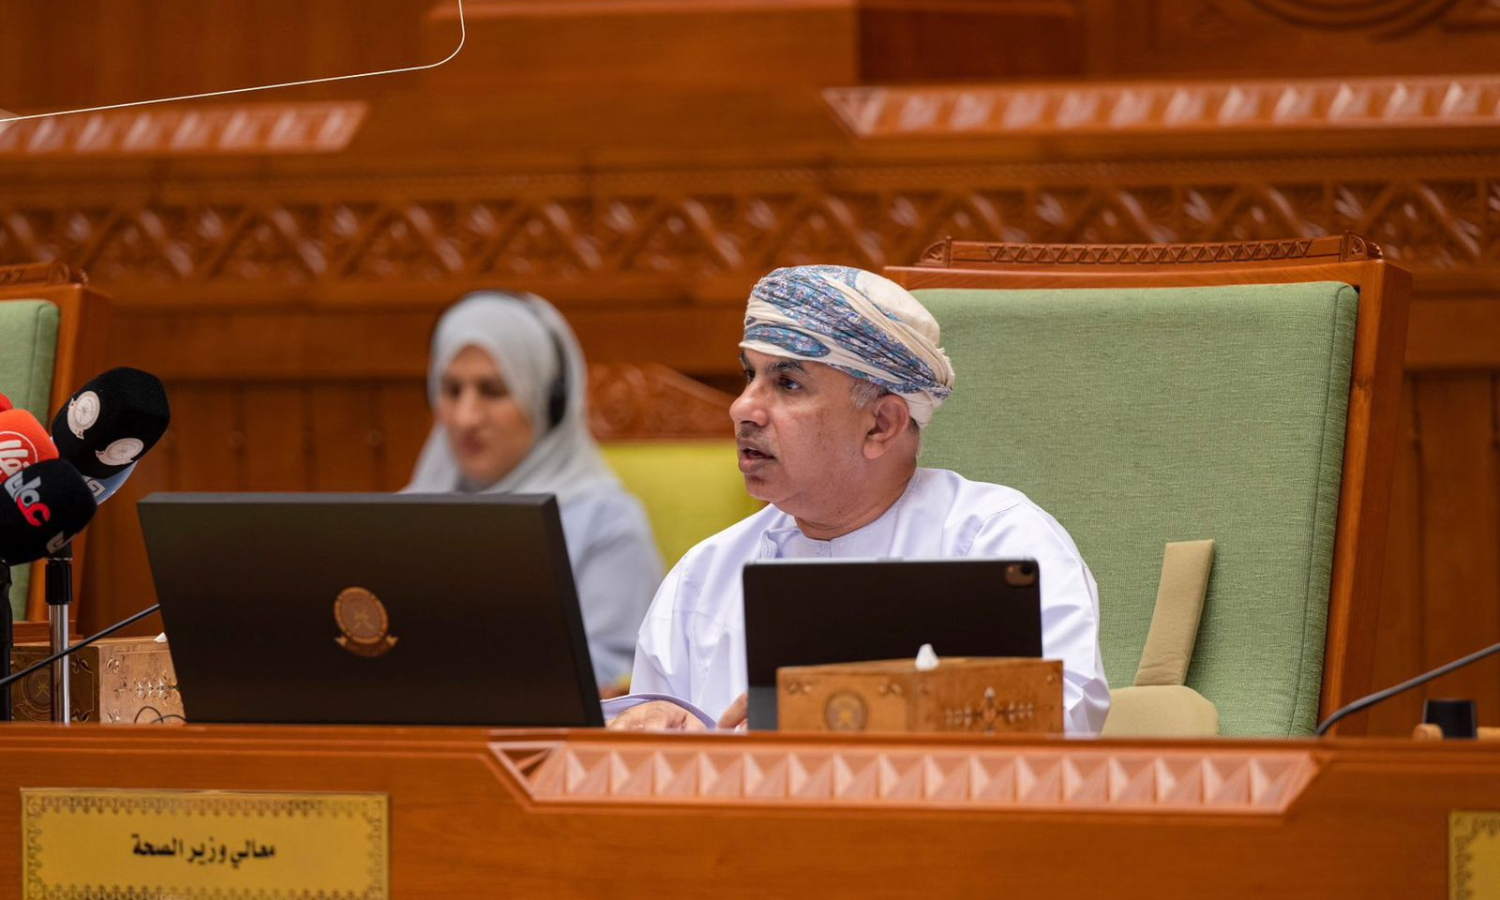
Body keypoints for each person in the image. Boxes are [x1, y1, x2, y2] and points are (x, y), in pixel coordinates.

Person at [605, 265, 1109, 734]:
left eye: (787, 383)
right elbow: (652, 755)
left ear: (881, 424)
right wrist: (659, 735)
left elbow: (1059, 727)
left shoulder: (1000, 544)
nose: (743, 408)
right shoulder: (705, 574)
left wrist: (823, 727)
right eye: (749, 376)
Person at [406, 291, 662, 690]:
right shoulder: (405, 516)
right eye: (452, 390)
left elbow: (620, 675)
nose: (465, 418)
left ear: (548, 402)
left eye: (493, 391)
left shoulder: (607, 524)